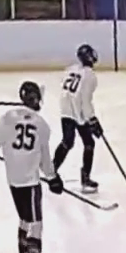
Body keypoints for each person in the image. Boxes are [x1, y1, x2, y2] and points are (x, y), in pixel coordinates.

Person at [0, 80, 65, 253]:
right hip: (31, 182)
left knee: (24, 219)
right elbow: (45, 160)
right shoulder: (42, 125)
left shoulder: (9, 118)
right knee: (36, 223)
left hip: (14, 181)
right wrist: (53, 178)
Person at [53, 43, 102, 194]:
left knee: (67, 141)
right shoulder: (90, 76)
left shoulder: (71, 69)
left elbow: (66, 88)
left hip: (66, 108)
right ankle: (85, 178)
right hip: (78, 110)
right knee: (89, 143)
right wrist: (92, 120)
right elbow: (85, 100)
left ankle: (51, 169)